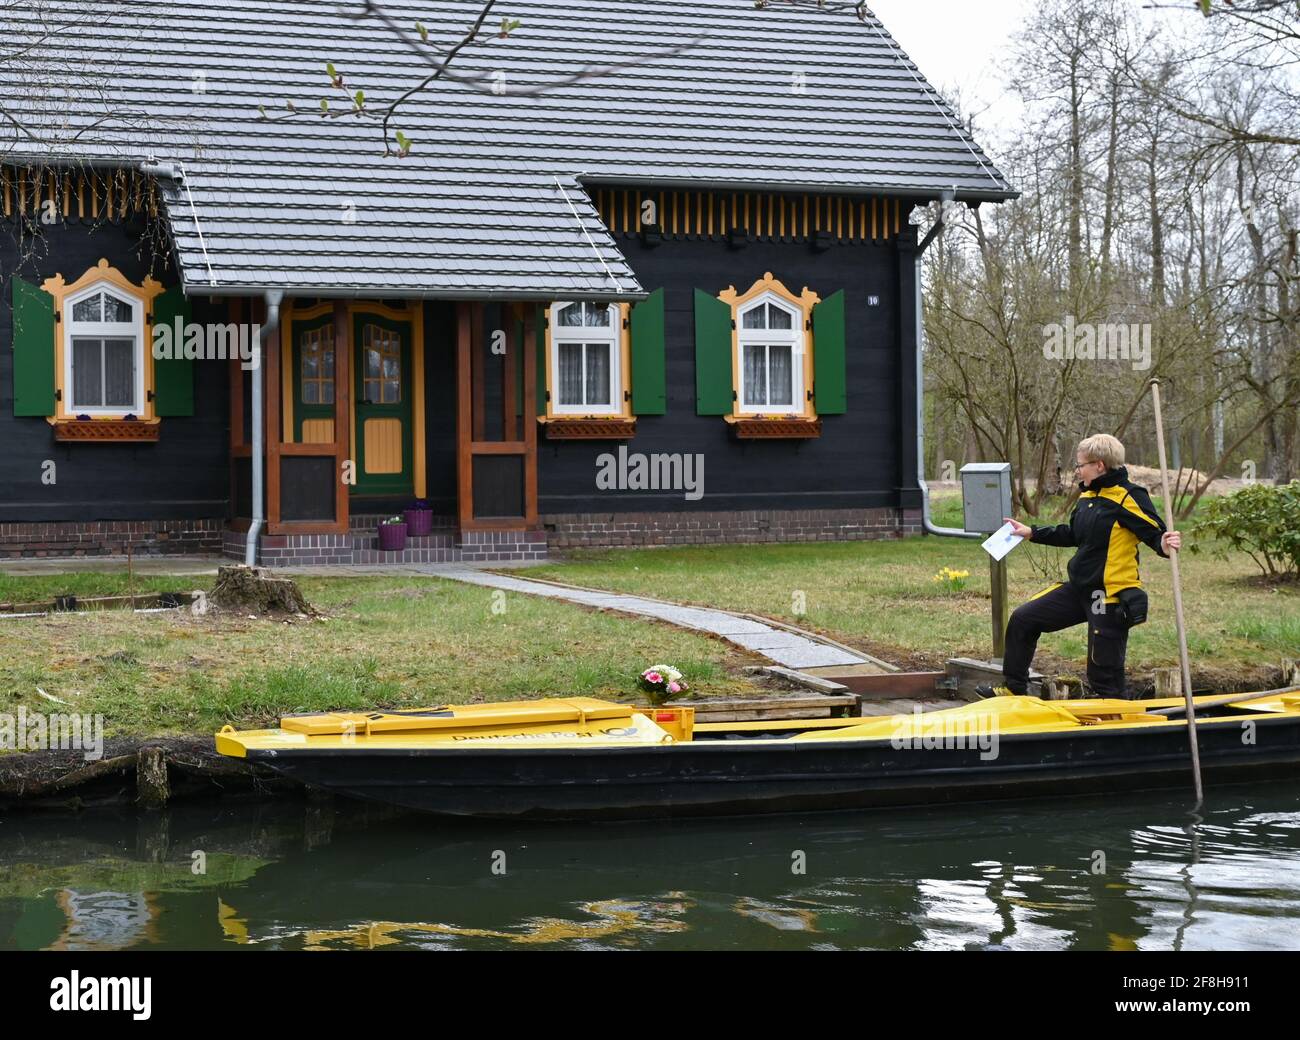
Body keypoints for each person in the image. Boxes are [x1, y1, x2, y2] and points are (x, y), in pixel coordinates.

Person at [979, 434, 1183, 698]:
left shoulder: (1129, 497)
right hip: (1079, 589)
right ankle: (1013, 689)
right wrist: (1032, 532)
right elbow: (1073, 535)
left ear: (1099, 466)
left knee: (1103, 674)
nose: (1077, 471)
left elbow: (1156, 535)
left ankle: (1117, 719)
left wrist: (1166, 544)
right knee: (1023, 619)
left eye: (1080, 465)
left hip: (1109, 595)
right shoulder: (1087, 497)